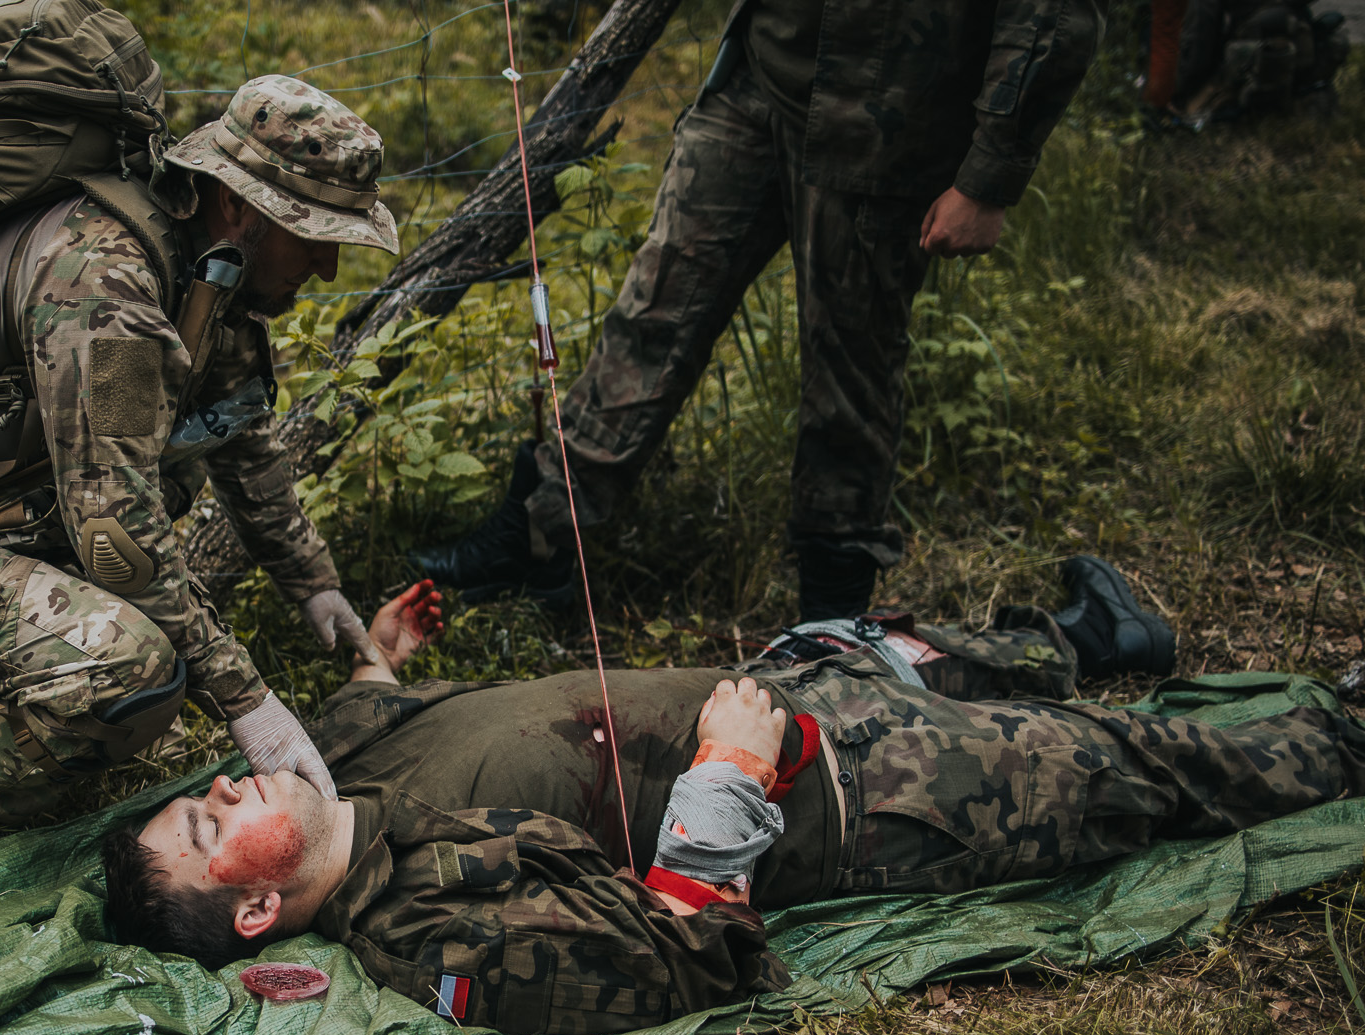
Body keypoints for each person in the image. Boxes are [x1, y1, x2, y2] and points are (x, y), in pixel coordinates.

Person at [101, 560, 1365, 1035]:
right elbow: (677, 962)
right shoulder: (421, 927)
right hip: (864, 796)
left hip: (793, 688)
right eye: (211, 826)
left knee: (933, 649)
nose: (222, 787)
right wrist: (723, 782)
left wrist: (382, 654)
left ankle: (1096, 635)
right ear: (259, 912)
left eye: (204, 795)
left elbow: (371, 701)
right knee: (1151, 771)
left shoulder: (331, 776)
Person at [0, 77, 400, 837]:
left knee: (133, 629)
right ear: (239, 203)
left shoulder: (208, 274)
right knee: (131, 673)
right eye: (314, 233)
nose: (326, 265)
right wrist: (246, 700)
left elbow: (239, 431)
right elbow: (115, 533)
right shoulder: (108, 289)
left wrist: (312, 582)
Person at [414, 0, 1112, 624]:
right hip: (762, 73)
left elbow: (1057, 11)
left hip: (890, 119)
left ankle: (832, 615)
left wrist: (990, 173)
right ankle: (540, 532)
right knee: (655, 306)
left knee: (850, 368)